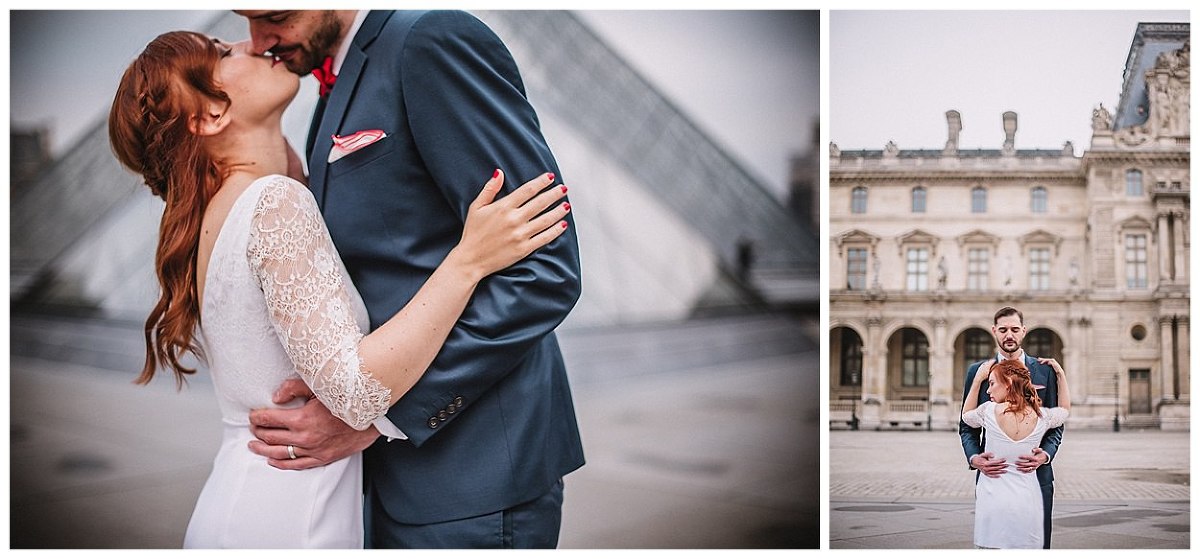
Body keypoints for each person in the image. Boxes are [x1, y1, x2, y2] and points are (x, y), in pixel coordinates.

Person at [108, 31, 572, 547]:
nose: (249, 43)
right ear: (209, 115)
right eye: (222, 52)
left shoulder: (220, 214)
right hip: (293, 516)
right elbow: (353, 393)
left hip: (257, 497)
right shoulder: (272, 203)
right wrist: (468, 261)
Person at [234, 10, 584, 548]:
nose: (260, 42)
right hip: (391, 484)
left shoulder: (429, 42)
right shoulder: (332, 88)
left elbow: (544, 268)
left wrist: (377, 416)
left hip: (475, 482)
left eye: (275, 16)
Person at [958, 306, 1064, 548]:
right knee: (992, 544)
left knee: (1036, 545)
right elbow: (966, 426)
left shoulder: (1044, 370)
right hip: (994, 476)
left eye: (1015, 329)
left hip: (1035, 476)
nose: (1009, 335)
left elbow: (1056, 425)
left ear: (1024, 331)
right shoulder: (978, 372)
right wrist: (974, 458)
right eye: (1003, 329)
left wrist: (1046, 455)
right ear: (994, 331)